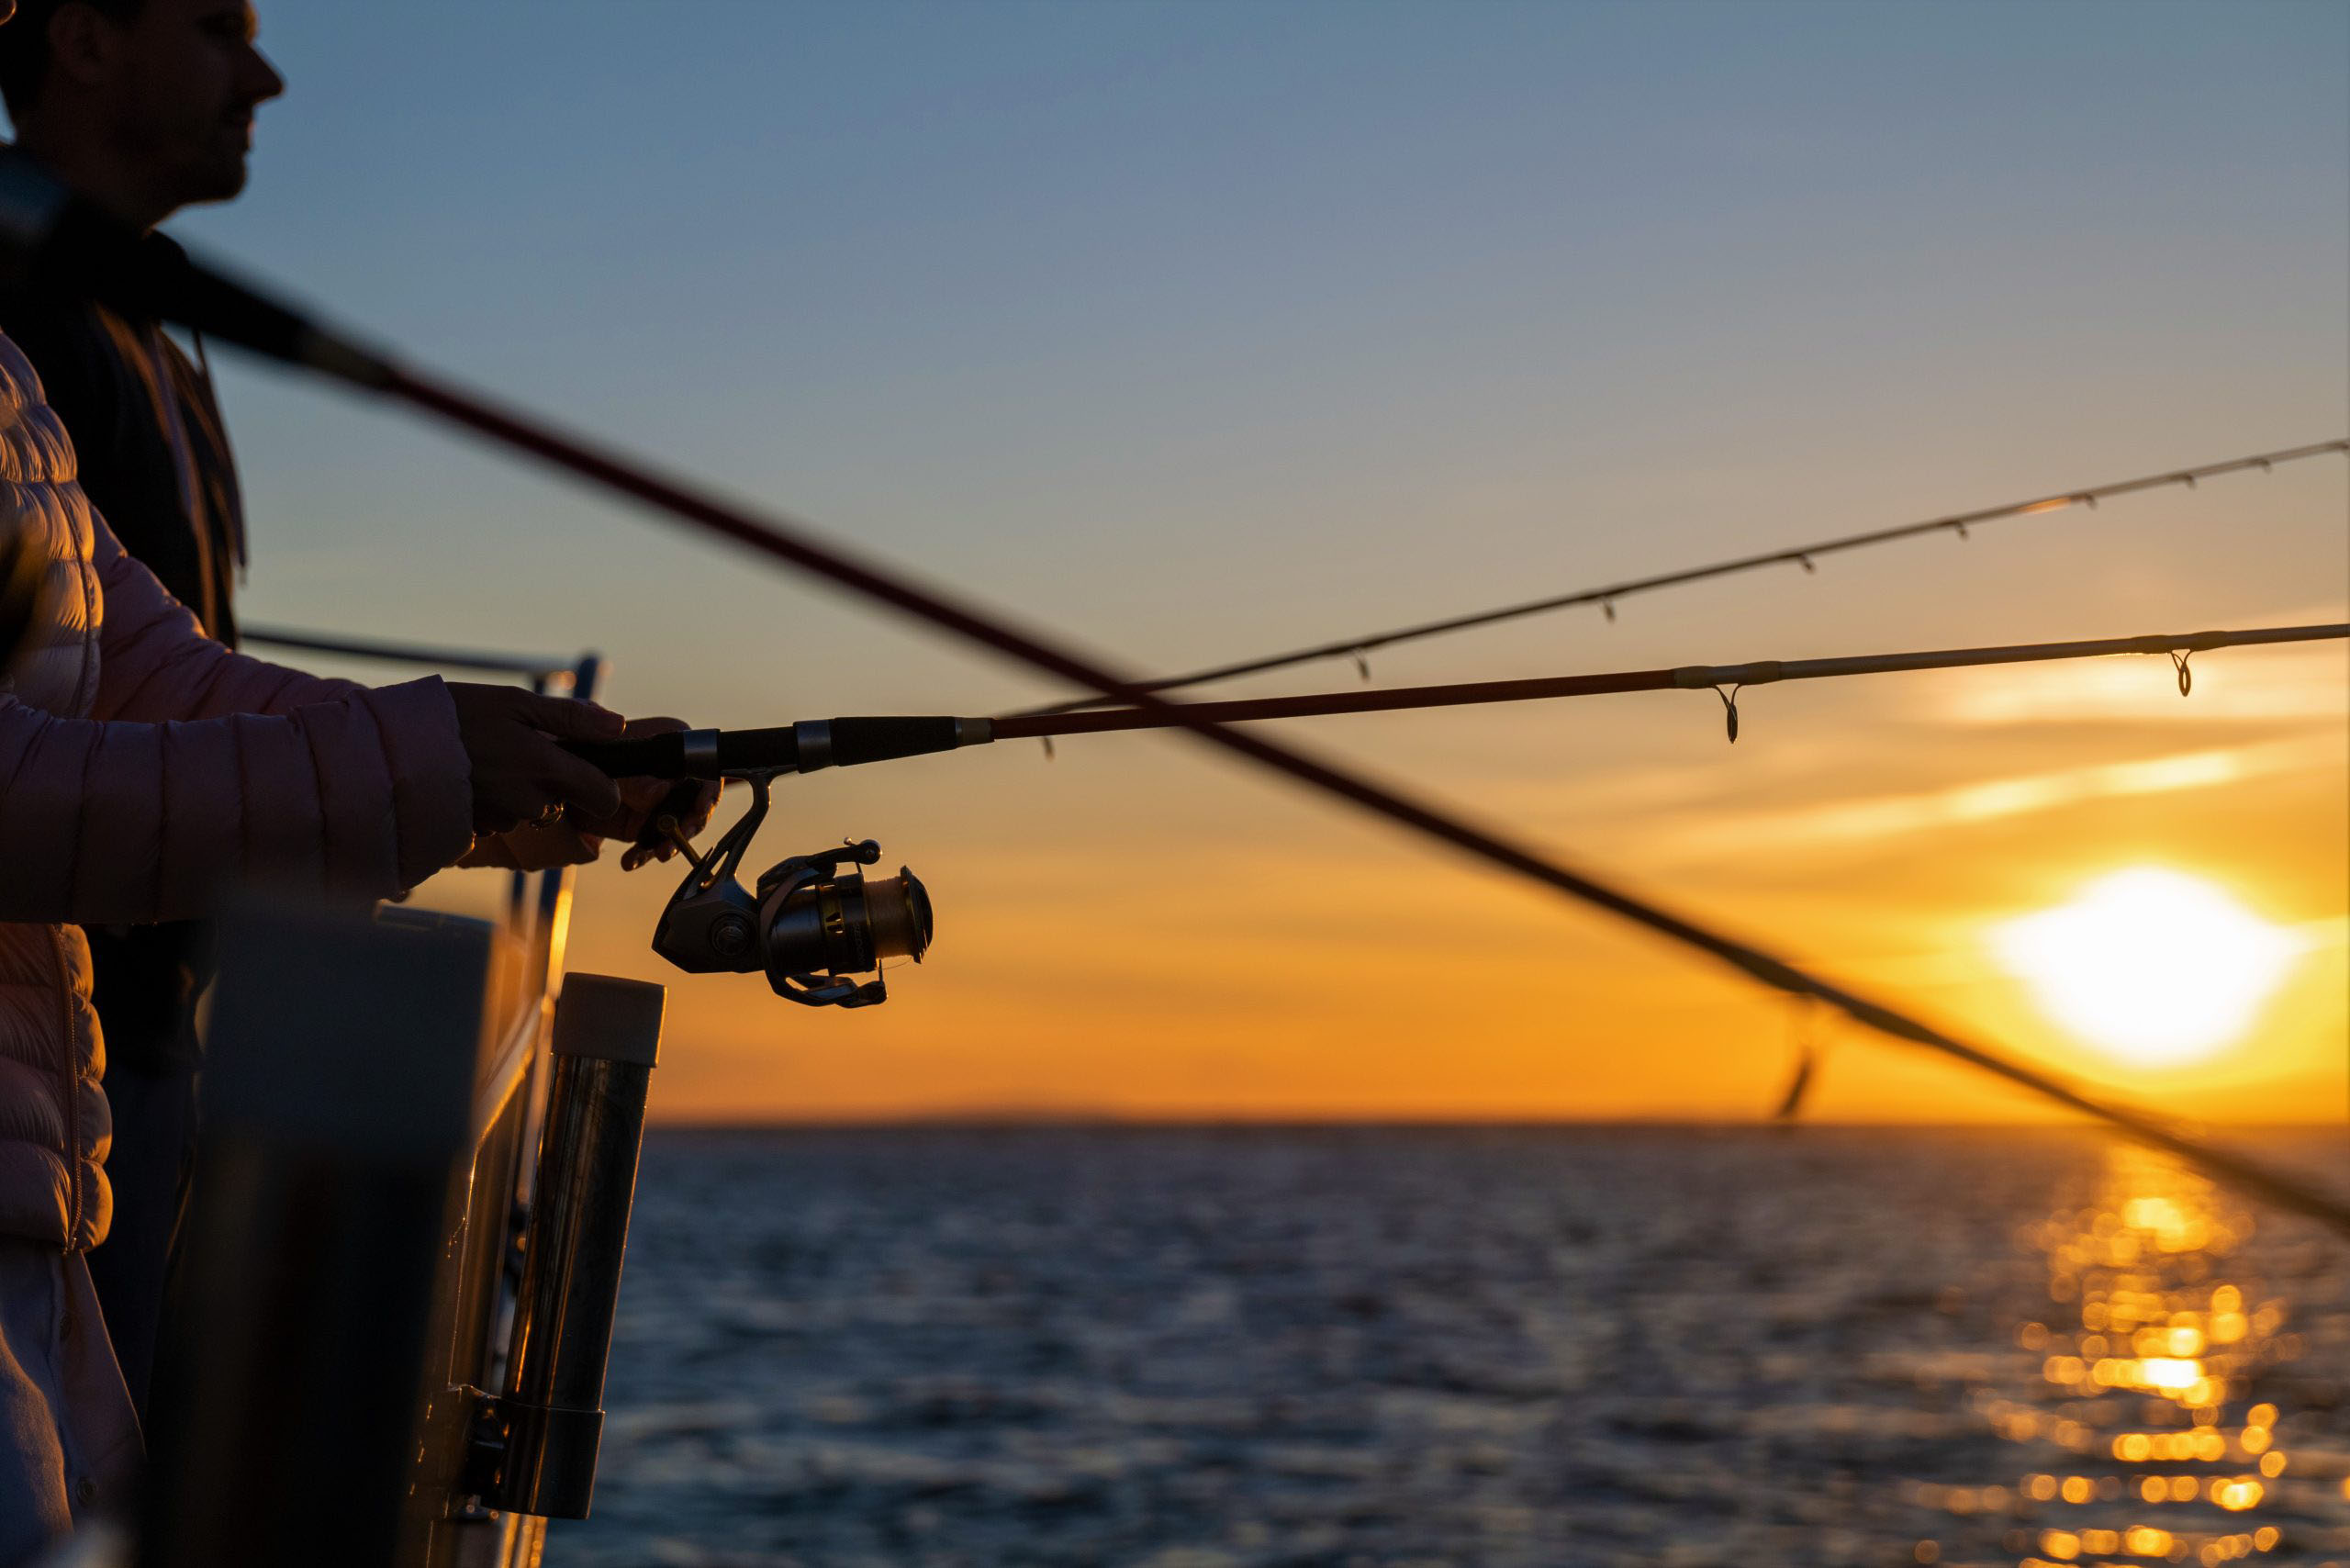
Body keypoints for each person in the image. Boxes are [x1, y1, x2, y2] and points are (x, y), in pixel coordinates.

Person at [0, 4, 709, 1553]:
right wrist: (423, 762)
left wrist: (471, 764)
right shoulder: (43, 314)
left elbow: (151, 675)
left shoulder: (25, 368)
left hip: (62, 1158)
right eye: (211, 22)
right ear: (81, 37)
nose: (266, 75)